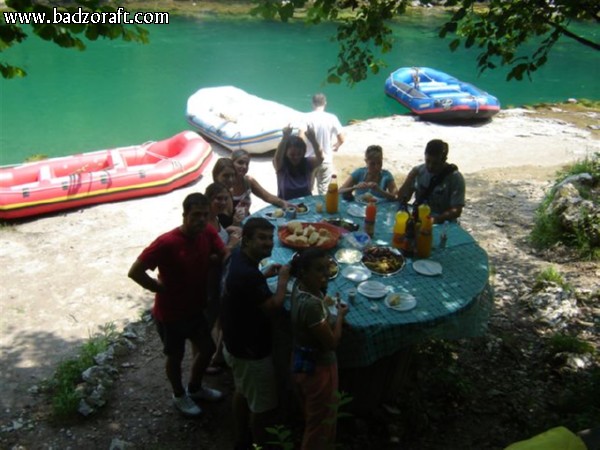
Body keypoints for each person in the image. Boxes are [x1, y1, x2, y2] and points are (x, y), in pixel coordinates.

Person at [127, 193, 228, 417]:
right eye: (195, 215)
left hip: (195, 309)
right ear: (184, 216)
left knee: (208, 348)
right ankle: (179, 395)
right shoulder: (167, 242)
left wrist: (216, 258)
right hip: (170, 314)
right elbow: (135, 271)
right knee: (175, 357)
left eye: (204, 215)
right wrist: (157, 287)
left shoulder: (207, 232)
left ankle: (195, 387)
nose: (201, 220)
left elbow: (223, 252)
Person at [220, 217, 291, 448]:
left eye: (270, 238)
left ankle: (241, 438)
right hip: (251, 351)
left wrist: (265, 274)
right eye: (261, 238)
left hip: (233, 341)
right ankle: (259, 443)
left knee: (242, 390)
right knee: (264, 407)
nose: (268, 243)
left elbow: (245, 287)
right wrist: (282, 280)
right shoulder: (247, 274)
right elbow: (273, 307)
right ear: (247, 240)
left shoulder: (240, 258)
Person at [289, 248, 349, 450]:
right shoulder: (313, 306)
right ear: (304, 272)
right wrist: (340, 316)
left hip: (300, 359)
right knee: (320, 426)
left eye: (328, 268)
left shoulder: (298, 287)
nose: (326, 274)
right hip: (319, 369)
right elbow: (332, 342)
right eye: (319, 270)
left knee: (311, 411)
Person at [204, 182, 242, 374]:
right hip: (212, 279)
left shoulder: (216, 219)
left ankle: (217, 354)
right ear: (208, 200)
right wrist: (233, 244)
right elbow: (211, 256)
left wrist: (228, 232)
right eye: (217, 198)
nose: (222, 202)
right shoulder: (204, 223)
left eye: (225, 198)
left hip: (222, 275)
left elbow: (217, 241)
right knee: (213, 318)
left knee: (222, 317)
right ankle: (204, 361)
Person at [396, 139, 465, 224]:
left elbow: (457, 210)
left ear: (444, 160)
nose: (430, 166)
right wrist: (410, 178)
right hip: (419, 218)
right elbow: (401, 198)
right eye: (427, 161)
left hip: (443, 222)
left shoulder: (455, 178)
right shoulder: (419, 171)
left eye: (435, 163)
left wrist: (436, 219)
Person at [302, 93, 345, 195]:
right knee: (324, 191)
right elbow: (342, 138)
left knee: (307, 190)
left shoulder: (306, 117)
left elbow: (300, 137)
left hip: (309, 159)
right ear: (325, 103)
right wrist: (337, 145)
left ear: (313, 104)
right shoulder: (332, 118)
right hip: (326, 159)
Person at [230, 150, 293, 216]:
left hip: (244, 221)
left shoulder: (248, 181)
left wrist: (283, 203)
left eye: (247, 164)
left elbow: (267, 196)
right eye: (240, 163)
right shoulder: (223, 183)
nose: (244, 167)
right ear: (231, 163)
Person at [273, 126, 323, 200]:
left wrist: (313, 140)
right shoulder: (281, 165)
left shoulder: (307, 163)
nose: (296, 157)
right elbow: (277, 158)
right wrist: (285, 138)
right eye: (292, 155)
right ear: (285, 153)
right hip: (286, 206)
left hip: (306, 206)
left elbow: (320, 158)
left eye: (299, 154)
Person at [212, 158, 245, 227]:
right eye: (226, 176)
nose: (231, 179)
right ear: (216, 176)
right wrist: (235, 223)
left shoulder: (230, 192)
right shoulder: (212, 200)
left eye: (233, 175)